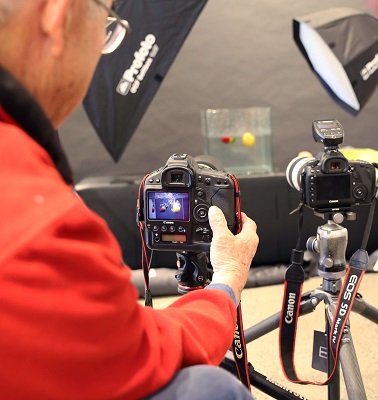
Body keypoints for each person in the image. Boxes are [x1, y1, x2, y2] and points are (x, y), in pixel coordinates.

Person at [0, 1, 259, 399]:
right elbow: (141, 353)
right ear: (58, 16)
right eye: (108, 31)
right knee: (209, 388)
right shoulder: (42, 224)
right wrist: (227, 280)